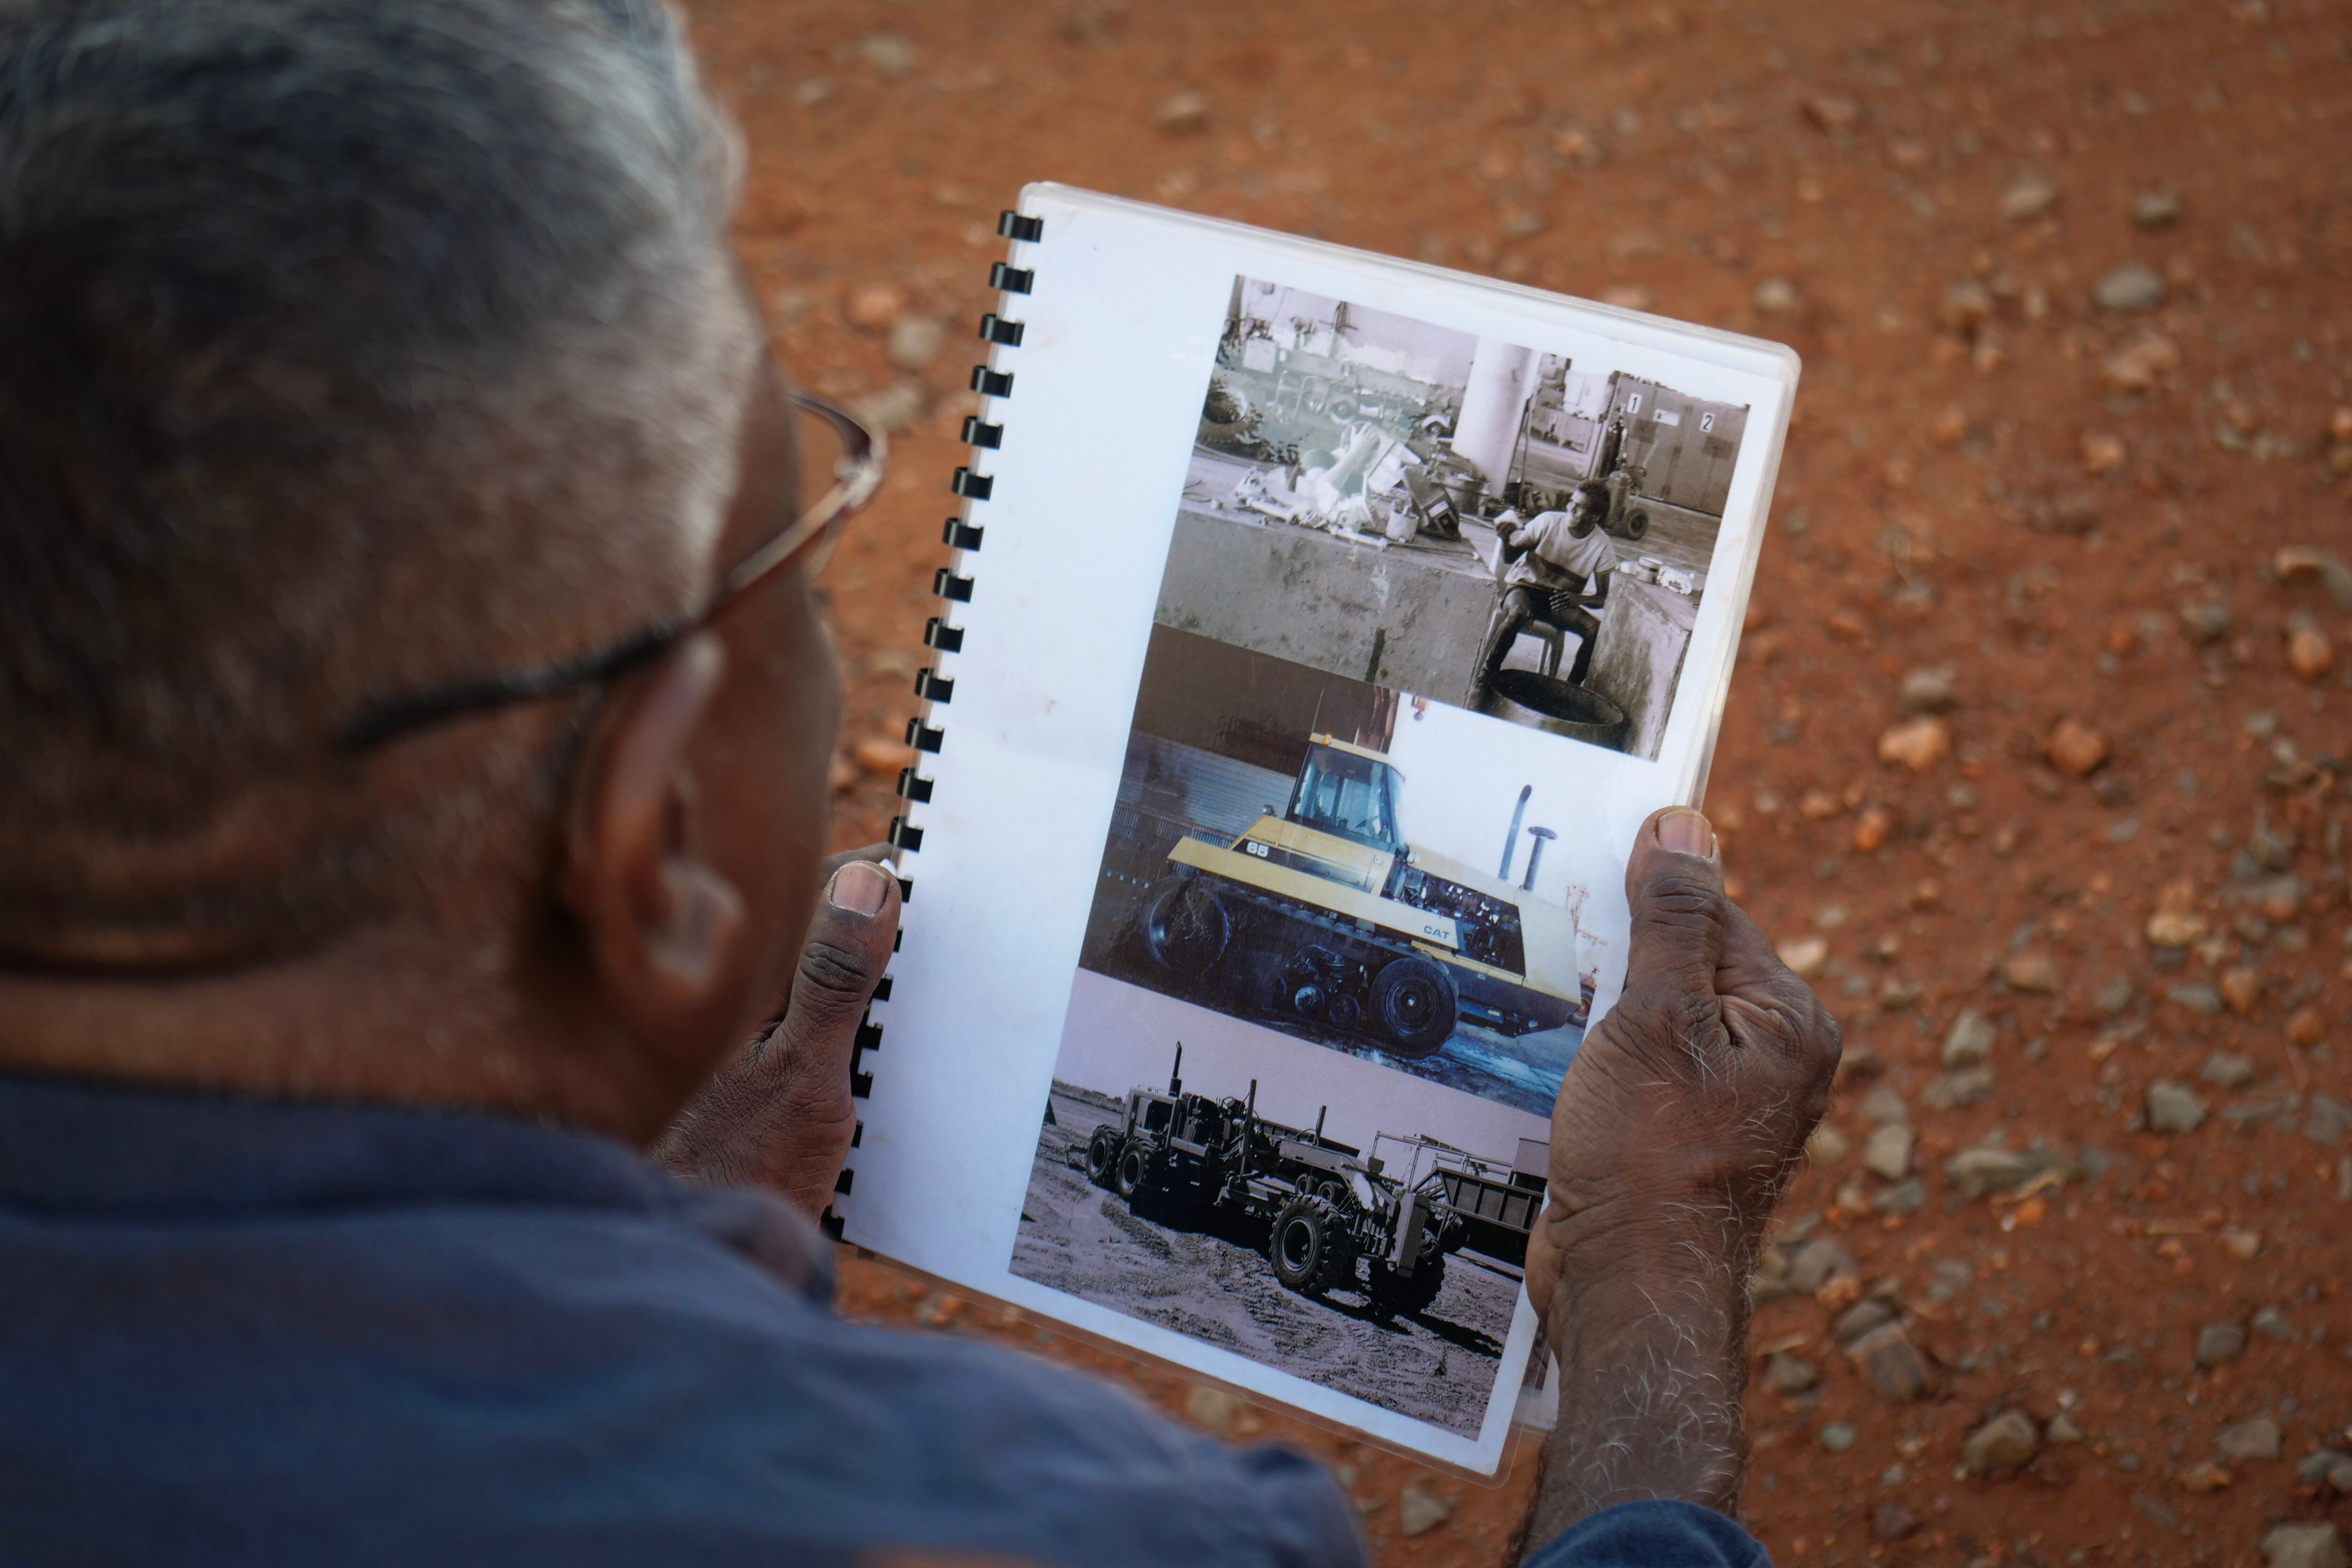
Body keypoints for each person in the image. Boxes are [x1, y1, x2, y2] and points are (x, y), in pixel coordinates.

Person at [0, 3, 1839, 1565]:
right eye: (789, 551)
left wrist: (688, 1227)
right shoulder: (1041, 1524)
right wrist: (1649, 1263)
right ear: (648, 850)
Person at [1474, 481, 1619, 698]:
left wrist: (1576, 599)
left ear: (1595, 517)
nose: (1571, 508)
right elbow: (1511, 557)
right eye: (1572, 502)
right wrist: (1505, 539)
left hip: (1558, 603)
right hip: (1524, 589)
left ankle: (1568, 691)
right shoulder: (1548, 521)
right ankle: (1486, 676)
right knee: (1518, 614)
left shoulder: (1602, 545)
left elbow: (1603, 598)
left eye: (1580, 507)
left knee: (1594, 630)